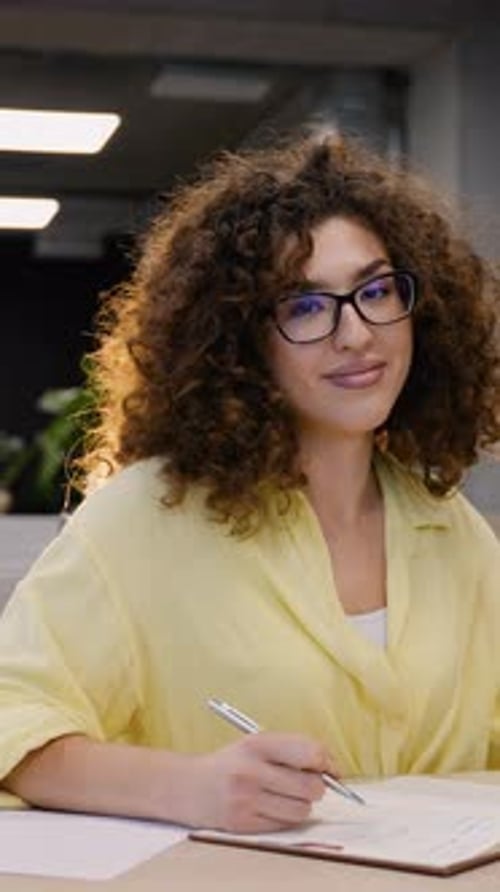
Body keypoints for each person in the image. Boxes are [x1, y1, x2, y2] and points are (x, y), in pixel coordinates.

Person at [0, 132, 499, 833]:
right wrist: (189, 787)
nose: (356, 334)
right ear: (239, 342)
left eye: (377, 290)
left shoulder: (451, 530)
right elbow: (10, 720)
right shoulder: (147, 518)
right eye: (303, 306)